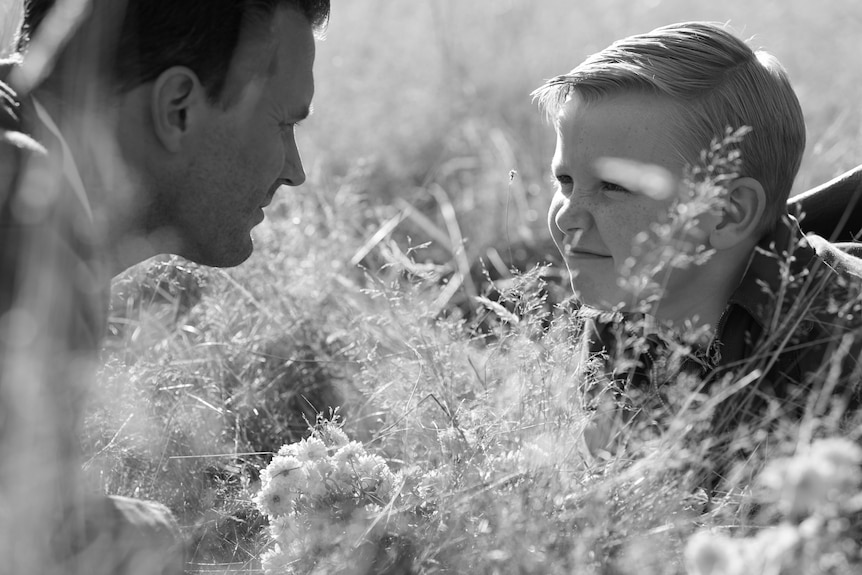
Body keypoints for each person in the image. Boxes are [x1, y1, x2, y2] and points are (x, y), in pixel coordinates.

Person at [0, 0, 329, 573]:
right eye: (282, 123)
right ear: (178, 107)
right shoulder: (24, 222)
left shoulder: (48, 198)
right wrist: (120, 537)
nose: (294, 169)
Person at [532, 22, 862, 471]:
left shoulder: (842, 338)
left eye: (613, 186)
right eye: (565, 180)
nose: (568, 215)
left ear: (728, 212)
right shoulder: (624, 306)